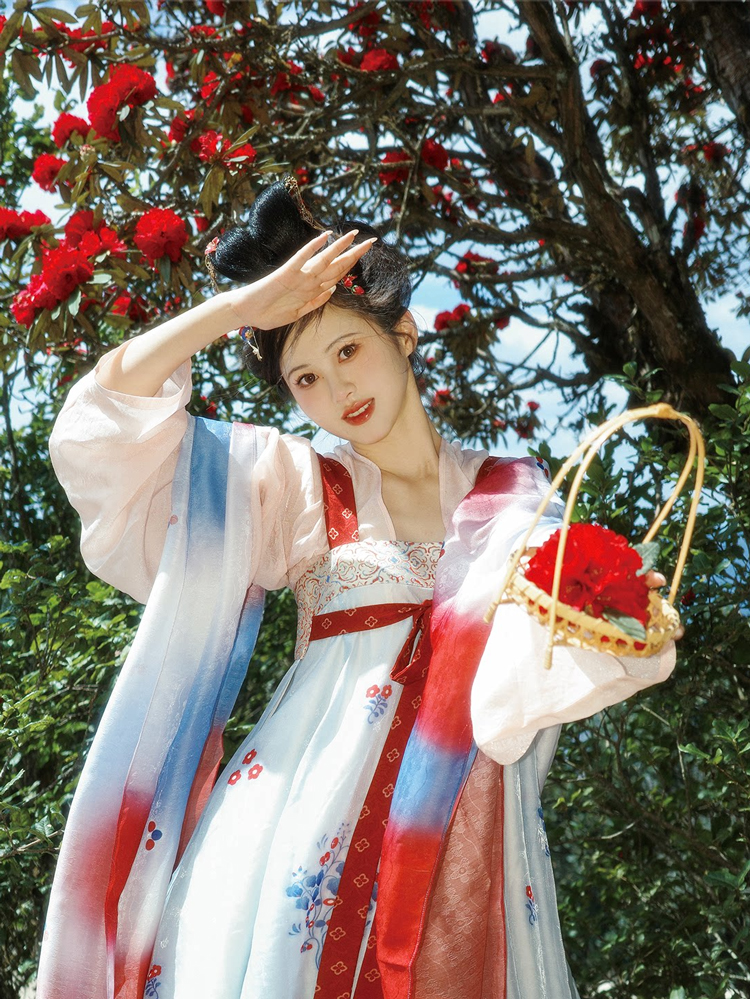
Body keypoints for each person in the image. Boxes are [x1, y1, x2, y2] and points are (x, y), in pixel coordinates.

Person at [38, 178, 676, 999]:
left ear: (403, 333)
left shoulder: (514, 495)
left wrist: (618, 608)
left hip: (461, 847)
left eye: (347, 351)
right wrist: (237, 309)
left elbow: (544, 673)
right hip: (292, 845)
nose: (337, 392)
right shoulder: (296, 485)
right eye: (305, 378)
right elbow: (98, 433)